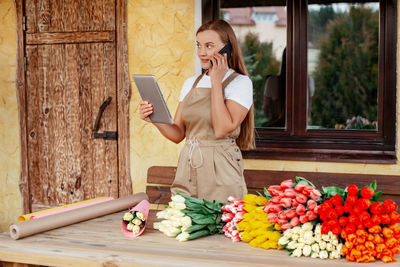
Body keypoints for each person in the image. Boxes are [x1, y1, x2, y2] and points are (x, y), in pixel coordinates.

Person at [139, 19, 254, 202]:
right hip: (189, 166)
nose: (201, 52)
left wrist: (216, 80)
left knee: (220, 225)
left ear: (227, 48)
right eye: (199, 45)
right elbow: (178, 134)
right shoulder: (190, 83)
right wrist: (154, 117)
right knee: (184, 223)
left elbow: (222, 129)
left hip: (221, 168)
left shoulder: (240, 83)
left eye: (209, 46)